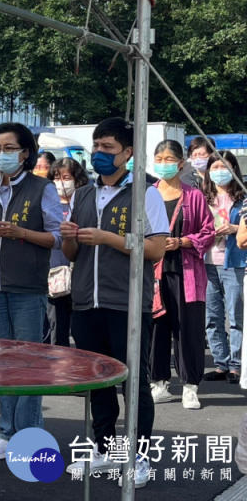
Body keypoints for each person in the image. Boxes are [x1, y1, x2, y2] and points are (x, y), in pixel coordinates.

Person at [61, 117, 168, 486]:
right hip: (86, 302)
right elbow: (71, 252)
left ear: (128, 153)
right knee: (98, 381)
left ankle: (140, 456)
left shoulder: (145, 192)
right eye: (97, 147)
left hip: (126, 303)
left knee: (133, 382)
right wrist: (69, 237)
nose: (100, 154)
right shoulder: (84, 193)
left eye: (108, 148)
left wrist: (110, 238)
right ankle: (106, 449)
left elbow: (155, 248)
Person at [0, 123, 62, 460]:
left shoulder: (42, 188)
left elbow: (56, 237)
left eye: (10, 148)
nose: (2, 154)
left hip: (27, 285)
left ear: (25, 153)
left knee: (28, 361)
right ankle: (7, 430)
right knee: (1, 361)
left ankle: (29, 431)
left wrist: (20, 231)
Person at [148, 139, 213, 410]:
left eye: (168, 159)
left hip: (186, 273)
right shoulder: (148, 194)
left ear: (180, 163)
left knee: (188, 330)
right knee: (155, 329)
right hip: (154, 273)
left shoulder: (194, 196)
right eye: (159, 159)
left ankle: (190, 386)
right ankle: (159, 382)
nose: (164, 164)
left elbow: (208, 231)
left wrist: (183, 241)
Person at [204, 152, 245, 385]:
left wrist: (235, 228)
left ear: (233, 168)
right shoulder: (203, 197)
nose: (219, 170)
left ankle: (237, 365)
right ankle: (220, 363)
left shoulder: (242, 198)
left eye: (224, 165)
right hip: (207, 263)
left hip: (234, 263)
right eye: (215, 166)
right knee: (212, 317)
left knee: (236, 317)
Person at [45, 158, 90, 346]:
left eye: (66, 177)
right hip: (54, 273)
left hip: (80, 273)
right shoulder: (48, 205)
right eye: (56, 177)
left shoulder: (83, 203)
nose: (61, 182)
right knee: (56, 325)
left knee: (81, 328)